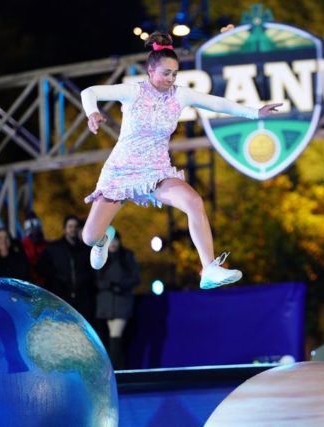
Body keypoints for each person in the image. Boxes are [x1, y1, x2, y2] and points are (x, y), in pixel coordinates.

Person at [80, 32, 281, 289]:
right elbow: (89, 92)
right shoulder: (133, 91)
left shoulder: (179, 95)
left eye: (175, 74)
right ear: (150, 71)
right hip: (121, 171)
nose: (171, 79)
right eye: (166, 73)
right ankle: (102, 240)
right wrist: (93, 113)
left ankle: (209, 268)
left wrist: (254, 113)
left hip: (156, 171)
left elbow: (217, 104)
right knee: (89, 237)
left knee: (194, 201)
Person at [37, 215, 96, 323]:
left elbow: (91, 273)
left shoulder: (85, 250)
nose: (73, 229)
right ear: (64, 229)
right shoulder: (53, 249)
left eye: (75, 226)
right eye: (70, 226)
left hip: (82, 299)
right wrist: (55, 280)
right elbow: (41, 269)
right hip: (60, 296)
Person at [95, 231, 140, 369]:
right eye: (110, 241)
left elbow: (135, 278)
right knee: (111, 338)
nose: (113, 243)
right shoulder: (101, 258)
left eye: (115, 240)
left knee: (115, 337)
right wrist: (108, 285)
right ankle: (116, 369)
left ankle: (116, 369)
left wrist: (121, 286)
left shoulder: (127, 256)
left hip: (122, 302)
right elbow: (96, 279)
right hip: (106, 304)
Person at [21, 211, 47, 285]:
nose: (34, 231)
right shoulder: (23, 245)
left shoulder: (44, 245)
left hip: (43, 281)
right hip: (30, 281)